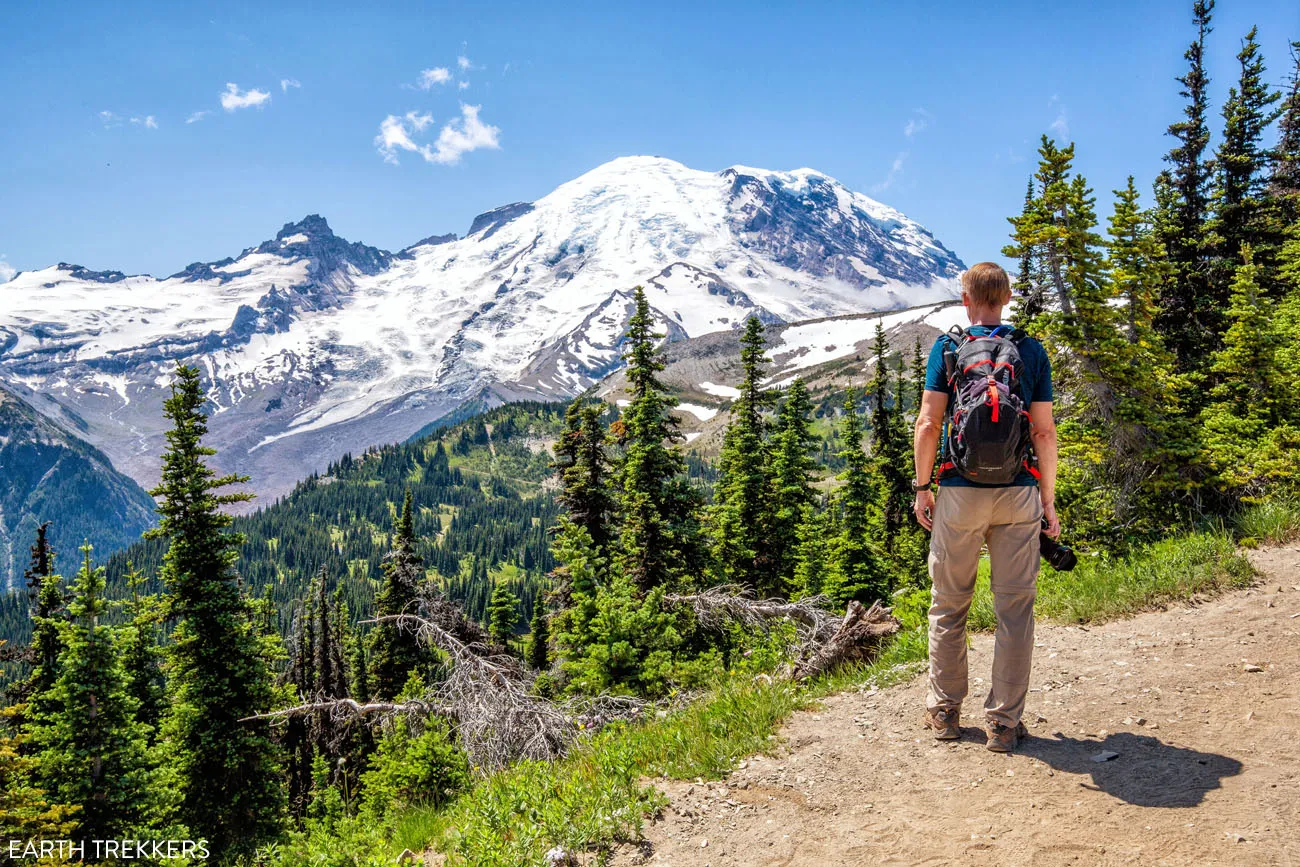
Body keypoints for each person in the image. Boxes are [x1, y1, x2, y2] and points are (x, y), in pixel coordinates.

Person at [911, 262, 1060, 753]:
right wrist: (1048, 499)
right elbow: (1042, 431)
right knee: (1015, 609)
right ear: (1008, 298)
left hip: (958, 492)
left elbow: (929, 424)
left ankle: (946, 711)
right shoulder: (1031, 351)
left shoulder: (948, 347)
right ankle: (1003, 723)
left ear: (966, 298)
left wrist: (922, 486)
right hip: (1018, 493)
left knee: (949, 605)